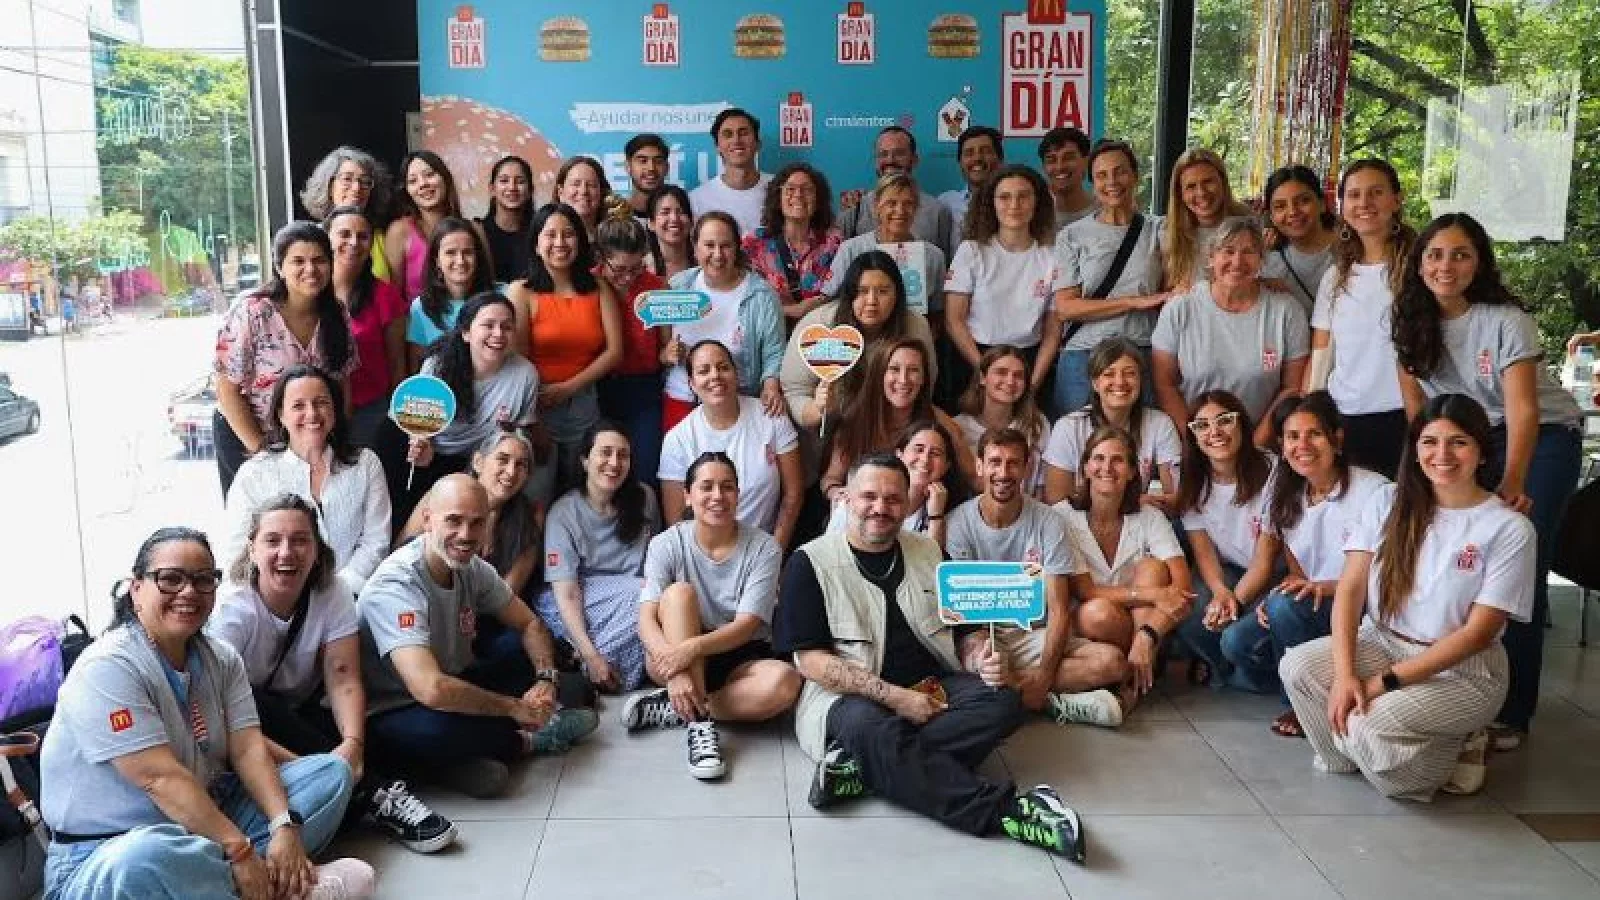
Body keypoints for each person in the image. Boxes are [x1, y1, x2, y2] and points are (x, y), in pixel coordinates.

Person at [775, 453, 1086, 860]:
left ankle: (860, 769)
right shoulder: (809, 562)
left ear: (908, 503)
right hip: (849, 699)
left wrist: (981, 658)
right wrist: (896, 699)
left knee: (1004, 701)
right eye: (869, 497)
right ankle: (1005, 813)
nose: (880, 508)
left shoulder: (929, 553)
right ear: (846, 498)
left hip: (930, 686)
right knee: (871, 728)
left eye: (892, 499)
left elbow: (964, 634)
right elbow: (811, 661)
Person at [40, 527, 376, 900]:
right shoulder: (108, 666)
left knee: (330, 773)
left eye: (203, 580)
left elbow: (248, 749)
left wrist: (283, 825)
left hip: (208, 822)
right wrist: (239, 850)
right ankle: (274, 885)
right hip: (105, 851)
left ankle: (237, 883)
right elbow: (159, 778)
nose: (188, 592)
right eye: (170, 579)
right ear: (136, 588)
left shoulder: (220, 658)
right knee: (141, 861)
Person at [1281, 394, 1535, 799]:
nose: (1442, 455)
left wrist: (1383, 684)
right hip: (1383, 641)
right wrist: (1346, 676)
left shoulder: (1507, 528)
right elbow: (1350, 588)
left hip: (1462, 670)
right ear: (1415, 450)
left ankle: (1456, 746)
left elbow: (1478, 634)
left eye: (1458, 442)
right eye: (1429, 442)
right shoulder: (1387, 501)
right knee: (1298, 667)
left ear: (1482, 452)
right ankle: (1365, 752)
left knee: (1368, 723)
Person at [1392, 212, 1584, 749]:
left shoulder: (1506, 320)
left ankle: (1512, 711)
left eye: (1460, 255)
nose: (1446, 266)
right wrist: (1426, 472)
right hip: (1464, 437)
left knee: (1519, 560)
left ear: (1479, 263)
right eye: (1435, 255)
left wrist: (1513, 482)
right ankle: (1459, 687)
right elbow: (1418, 412)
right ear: (1419, 263)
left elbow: (1523, 411)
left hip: (1543, 437)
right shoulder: (1408, 319)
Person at [209, 495, 457, 854]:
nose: (286, 553)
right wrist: (322, 768)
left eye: (300, 540)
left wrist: (352, 746)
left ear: (316, 550)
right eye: (273, 540)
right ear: (252, 549)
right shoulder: (232, 609)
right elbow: (224, 720)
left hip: (303, 711)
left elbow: (343, 678)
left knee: (377, 738)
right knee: (253, 700)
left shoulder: (333, 590)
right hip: (243, 730)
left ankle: (360, 793)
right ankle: (376, 795)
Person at [358, 476, 599, 799]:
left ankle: (471, 758)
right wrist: (513, 708)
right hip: (398, 706)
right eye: (453, 521)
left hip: (453, 677)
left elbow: (530, 624)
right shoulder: (396, 585)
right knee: (440, 732)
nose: (465, 535)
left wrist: (546, 677)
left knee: (557, 675)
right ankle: (523, 740)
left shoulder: (471, 567)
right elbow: (430, 689)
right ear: (428, 520)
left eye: (476, 523)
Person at [622, 452, 801, 780]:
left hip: (737, 655)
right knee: (679, 594)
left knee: (786, 683)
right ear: (687, 496)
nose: (718, 496)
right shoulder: (666, 543)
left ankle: (680, 706)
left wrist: (692, 649)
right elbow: (645, 617)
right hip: (673, 653)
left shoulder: (765, 548)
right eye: (706, 487)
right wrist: (677, 668)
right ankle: (699, 726)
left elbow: (747, 626)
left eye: (727, 487)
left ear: (738, 494)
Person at [947, 429, 1127, 725]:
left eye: (1013, 463)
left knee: (1113, 662)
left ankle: (1022, 694)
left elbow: (1059, 609)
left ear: (1027, 468)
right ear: (979, 466)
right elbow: (963, 614)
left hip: (1034, 633)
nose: (1003, 473)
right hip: (983, 634)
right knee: (985, 665)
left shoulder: (1048, 521)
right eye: (994, 462)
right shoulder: (958, 522)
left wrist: (1044, 676)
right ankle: (1054, 702)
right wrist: (986, 654)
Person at [1251, 392, 1392, 737]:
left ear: (1336, 439)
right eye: (1292, 436)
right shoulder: (1286, 492)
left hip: (1361, 606)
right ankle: (1312, 676)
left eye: (1314, 434)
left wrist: (1326, 588)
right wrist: (1281, 593)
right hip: (1317, 604)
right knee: (1236, 644)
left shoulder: (1375, 492)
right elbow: (1298, 570)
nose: (1302, 445)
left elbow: (1388, 575)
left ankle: (1302, 706)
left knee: (1285, 610)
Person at [1055, 426, 1195, 713]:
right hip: (1086, 627)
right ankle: (1134, 679)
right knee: (1097, 612)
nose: (1107, 468)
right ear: (1085, 467)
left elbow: (1182, 588)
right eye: (1099, 458)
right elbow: (1086, 591)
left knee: (1153, 567)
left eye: (1118, 460)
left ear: (1133, 471)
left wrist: (1147, 635)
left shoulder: (1150, 517)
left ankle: (1131, 676)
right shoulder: (1062, 516)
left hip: (1146, 629)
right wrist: (1154, 594)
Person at [213, 222, 357, 496]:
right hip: (247, 437)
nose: (310, 269)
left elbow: (342, 383)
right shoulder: (253, 312)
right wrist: (264, 456)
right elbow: (226, 390)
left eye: (319, 260)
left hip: (310, 443)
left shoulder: (337, 314)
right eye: (298, 261)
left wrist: (336, 446)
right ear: (280, 267)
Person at [222, 366, 390, 598]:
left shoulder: (366, 464)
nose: (312, 414)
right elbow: (238, 552)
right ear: (281, 415)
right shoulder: (255, 474)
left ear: (334, 410)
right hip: (275, 601)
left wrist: (338, 595)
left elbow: (376, 540)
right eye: (298, 406)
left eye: (321, 403)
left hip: (352, 599)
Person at [1151, 217, 1310, 445]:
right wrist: (1196, 442)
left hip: (1260, 443)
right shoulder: (1181, 308)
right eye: (1228, 251)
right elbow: (1164, 384)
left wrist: (1255, 446)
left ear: (1261, 259)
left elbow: (1291, 387)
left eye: (1248, 252)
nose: (1237, 262)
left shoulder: (1287, 311)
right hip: (1196, 442)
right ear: (1211, 257)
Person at [1305, 158, 1416, 479]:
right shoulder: (1336, 276)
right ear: (1342, 205)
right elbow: (1321, 352)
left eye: (1376, 192)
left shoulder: (1420, 268)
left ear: (1397, 199)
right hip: (1347, 416)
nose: (1364, 203)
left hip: (1406, 414)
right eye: (1354, 195)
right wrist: (1310, 412)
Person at [507, 202, 624, 499]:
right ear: (536, 245)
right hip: (535, 404)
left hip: (585, 402)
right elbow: (517, 358)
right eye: (550, 235)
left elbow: (615, 352)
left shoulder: (599, 287)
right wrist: (533, 417)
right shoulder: (521, 291)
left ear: (580, 241)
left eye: (568, 234)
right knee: (536, 495)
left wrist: (569, 388)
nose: (560, 242)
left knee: (582, 492)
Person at [535, 424, 660, 693]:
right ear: (585, 460)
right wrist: (590, 654)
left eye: (623, 455)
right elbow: (566, 591)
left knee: (662, 598)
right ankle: (589, 659)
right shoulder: (563, 513)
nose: (614, 463)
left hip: (629, 601)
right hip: (574, 599)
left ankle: (586, 664)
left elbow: (656, 561)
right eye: (605, 452)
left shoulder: (645, 498)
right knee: (644, 595)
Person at [1172, 391, 1283, 691]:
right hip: (1229, 570)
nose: (1214, 432)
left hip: (1272, 574)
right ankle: (1226, 670)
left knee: (1238, 630)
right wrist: (1220, 592)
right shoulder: (1191, 478)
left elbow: (1265, 561)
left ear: (1242, 424)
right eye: (1202, 426)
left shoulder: (1272, 469)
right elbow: (1203, 552)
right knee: (1190, 606)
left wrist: (1233, 602)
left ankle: (1249, 675)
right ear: (1193, 436)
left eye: (1224, 420)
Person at [1051, 139, 1170, 415]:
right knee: (1077, 435)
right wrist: (1132, 302)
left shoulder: (1159, 229)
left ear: (1135, 176)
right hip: (1083, 354)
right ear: (1093, 183)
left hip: (1141, 350)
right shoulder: (1071, 235)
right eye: (1102, 175)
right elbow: (1066, 307)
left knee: (1140, 435)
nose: (1112, 182)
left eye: (1120, 172)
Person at [404, 292, 539, 525]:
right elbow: (419, 425)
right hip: (431, 455)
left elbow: (520, 431)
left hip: (479, 465)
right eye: (489, 325)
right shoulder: (437, 366)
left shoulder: (526, 374)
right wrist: (421, 445)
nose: (498, 334)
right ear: (466, 332)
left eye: (506, 327)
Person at [660, 340, 802, 547]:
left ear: (736, 374)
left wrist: (774, 552)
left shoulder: (772, 417)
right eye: (704, 371)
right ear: (692, 384)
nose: (715, 376)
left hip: (763, 548)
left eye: (723, 367)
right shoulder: (677, 439)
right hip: (702, 553)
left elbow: (793, 494)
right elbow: (676, 521)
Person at [784, 250, 939, 436]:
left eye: (883, 291)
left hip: (895, 429)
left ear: (897, 295)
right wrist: (818, 408)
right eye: (862, 291)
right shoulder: (819, 325)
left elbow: (924, 386)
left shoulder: (915, 326)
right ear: (849, 294)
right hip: (833, 431)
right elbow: (794, 391)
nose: (872, 301)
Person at [944, 163, 1061, 399]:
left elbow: (1052, 331)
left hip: (1030, 363)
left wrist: (1032, 383)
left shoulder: (1052, 256)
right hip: (975, 360)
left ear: (1037, 202)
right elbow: (954, 320)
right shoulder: (972, 251)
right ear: (992, 203)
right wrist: (985, 371)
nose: (1014, 205)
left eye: (1023, 196)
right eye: (1004, 197)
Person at [660, 211, 786, 429]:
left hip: (739, 401)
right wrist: (667, 353)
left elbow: (774, 351)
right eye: (709, 245)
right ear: (695, 248)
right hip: (682, 398)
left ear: (737, 248)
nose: (717, 254)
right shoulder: (677, 287)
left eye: (725, 246)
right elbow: (658, 348)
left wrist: (771, 384)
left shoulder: (762, 295)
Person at [820, 338, 976, 500]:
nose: (903, 379)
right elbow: (831, 480)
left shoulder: (940, 422)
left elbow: (973, 477)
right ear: (880, 374)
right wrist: (838, 494)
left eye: (913, 370)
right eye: (894, 369)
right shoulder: (856, 420)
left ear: (924, 378)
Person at [399, 427, 543, 599]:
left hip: (490, 609)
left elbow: (508, 593)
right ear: (478, 462)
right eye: (502, 460)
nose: (511, 472)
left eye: (521, 465)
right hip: (424, 597)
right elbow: (401, 552)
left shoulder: (532, 516)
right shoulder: (444, 494)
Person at [1042, 337, 1181, 506]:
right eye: (1109, 374)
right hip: (1080, 518)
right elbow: (1056, 500)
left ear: (1141, 380)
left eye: (1130, 373)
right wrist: (1129, 503)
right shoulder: (1068, 427)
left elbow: (1175, 500)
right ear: (1095, 383)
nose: (1120, 382)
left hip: (1138, 519)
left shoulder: (1161, 424)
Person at [595, 198, 669, 485]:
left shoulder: (657, 287)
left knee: (645, 469)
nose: (627, 277)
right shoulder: (589, 285)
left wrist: (670, 354)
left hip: (644, 389)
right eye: (619, 269)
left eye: (636, 268)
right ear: (601, 258)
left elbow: (663, 350)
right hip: (599, 387)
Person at [325, 206, 408, 450]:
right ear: (327, 238)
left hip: (370, 412)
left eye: (363, 236)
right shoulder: (311, 293)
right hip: (317, 411)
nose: (354, 242)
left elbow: (397, 364)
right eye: (344, 234)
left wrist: (397, 421)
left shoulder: (386, 296)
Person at [825, 173, 949, 320]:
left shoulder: (934, 256)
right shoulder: (850, 250)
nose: (900, 211)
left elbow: (938, 312)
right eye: (891, 203)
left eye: (908, 204)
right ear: (877, 206)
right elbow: (828, 299)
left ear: (916, 208)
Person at [828, 418, 970, 547]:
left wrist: (936, 516)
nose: (925, 459)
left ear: (946, 466)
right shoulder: (856, 500)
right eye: (919, 449)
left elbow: (933, 563)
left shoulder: (951, 511)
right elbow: (830, 553)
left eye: (935, 453)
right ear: (900, 454)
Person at [836, 126, 958, 259]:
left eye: (899, 153)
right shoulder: (855, 206)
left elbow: (944, 265)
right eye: (883, 154)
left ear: (914, 160)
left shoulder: (937, 211)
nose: (890, 160)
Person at [743, 161, 842, 325]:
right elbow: (744, 299)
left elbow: (842, 295)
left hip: (820, 332)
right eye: (790, 189)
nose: (798, 195)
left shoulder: (834, 242)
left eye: (807, 189)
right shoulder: (754, 243)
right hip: (769, 331)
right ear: (777, 198)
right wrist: (793, 310)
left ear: (818, 200)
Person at [953, 345, 1050, 497]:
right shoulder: (958, 427)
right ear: (982, 378)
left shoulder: (1037, 424)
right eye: (1001, 372)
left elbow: (1042, 487)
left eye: (1018, 375)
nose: (1010, 381)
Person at [385, 151, 479, 304]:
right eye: (413, 181)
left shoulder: (474, 229)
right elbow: (394, 298)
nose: (423, 184)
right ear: (407, 191)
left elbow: (487, 285)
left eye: (429, 174)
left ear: (445, 178)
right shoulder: (399, 231)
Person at [404, 217, 495, 372]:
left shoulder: (500, 296)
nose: (460, 261)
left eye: (467, 252)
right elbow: (418, 369)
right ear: (437, 261)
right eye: (451, 253)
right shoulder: (421, 307)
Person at [1159, 147, 1253, 292]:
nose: (1201, 192)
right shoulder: (1168, 234)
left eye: (1208, 181)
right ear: (1180, 194)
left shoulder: (1249, 224)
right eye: (1191, 186)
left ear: (1223, 182)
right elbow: (1165, 291)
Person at [299, 145, 395, 280]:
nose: (356, 188)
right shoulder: (308, 239)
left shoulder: (382, 239)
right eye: (347, 179)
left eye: (365, 181)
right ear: (329, 185)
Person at [1259, 165, 1337, 317]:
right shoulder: (1268, 258)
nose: (1293, 212)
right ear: (1271, 217)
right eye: (1280, 206)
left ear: (1322, 204)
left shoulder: (1352, 249)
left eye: (1303, 201)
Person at [688, 108, 773, 236]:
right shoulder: (696, 200)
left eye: (743, 133)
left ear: (758, 143)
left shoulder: (780, 189)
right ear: (717, 147)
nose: (736, 140)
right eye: (728, 134)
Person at [478, 155, 535, 284]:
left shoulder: (542, 233)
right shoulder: (477, 232)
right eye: (504, 181)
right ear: (492, 189)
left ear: (530, 190)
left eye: (520, 181)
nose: (512, 187)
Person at [938, 125, 1003, 229]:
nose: (977, 158)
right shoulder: (946, 203)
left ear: (1000, 159)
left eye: (985, 151)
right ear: (960, 162)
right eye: (969, 153)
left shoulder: (1014, 202)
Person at [1038, 127, 1096, 231]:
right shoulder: (1034, 218)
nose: (1060, 167)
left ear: (1086, 161)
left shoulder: (1106, 210)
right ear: (1044, 167)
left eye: (1068, 158)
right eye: (1051, 160)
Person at [554, 156, 612, 241]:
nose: (583, 191)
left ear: (602, 192)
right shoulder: (545, 239)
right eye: (576, 184)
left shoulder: (617, 237)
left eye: (591, 185)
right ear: (560, 192)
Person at [646, 184, 694, 279]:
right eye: (665, 212)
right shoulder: (641, 268)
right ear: (651, 223)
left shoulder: (705, 263)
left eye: (681, 212)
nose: (674, 218)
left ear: (691, 221)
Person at [624, 133, 670, 218]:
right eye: (643, 161)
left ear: (667, 167)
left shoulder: (679, 218)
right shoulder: (616, 217)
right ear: (628, 167)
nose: (651, 168)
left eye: (658, 161)